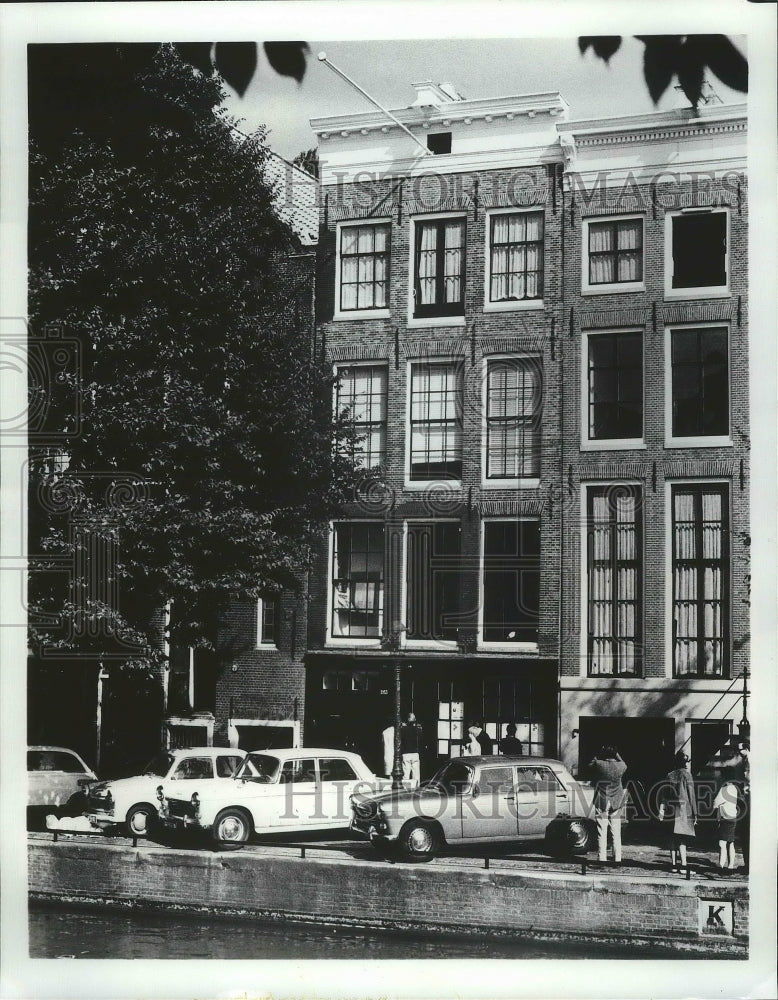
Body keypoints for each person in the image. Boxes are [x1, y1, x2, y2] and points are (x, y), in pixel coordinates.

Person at [659, 749, 698, 875]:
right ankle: (684, 866)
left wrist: (662, 810)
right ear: (685, 763)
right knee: (682, 839)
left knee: (672, 838)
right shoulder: (687, 775)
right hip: (684, 810)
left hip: (671, 809)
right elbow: (691, 795)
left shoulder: (669, 775)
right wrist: (695, 813)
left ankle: (674, 865)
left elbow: (664, 795)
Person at [588, 745, 627, 865]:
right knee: (616, 831)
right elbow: (623, 762)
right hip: (616, 801)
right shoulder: (621, 766)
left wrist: (600, 753)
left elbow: (590, 764)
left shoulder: (599, 764)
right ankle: (617, 858)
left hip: (602, 800)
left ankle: (602, 858)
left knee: (602, 831)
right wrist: (616, 753)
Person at [713, 780, 739, 872]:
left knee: (722, 843)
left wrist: (713, 807)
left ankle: (721, 865)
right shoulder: (734, 788)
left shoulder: (724, 789)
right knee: (730, 842)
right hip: (733, 817)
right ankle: (730, 866)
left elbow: (716, 802)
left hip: (725, 817)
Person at [399, 712, 423, 787]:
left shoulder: (403, 730)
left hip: (406, 753)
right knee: (416, 775)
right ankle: (416, 788)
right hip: (415, 753)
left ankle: (406, 789)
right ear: (415, 720)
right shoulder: (418, 730)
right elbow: (421, 740)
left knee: (406, 774)